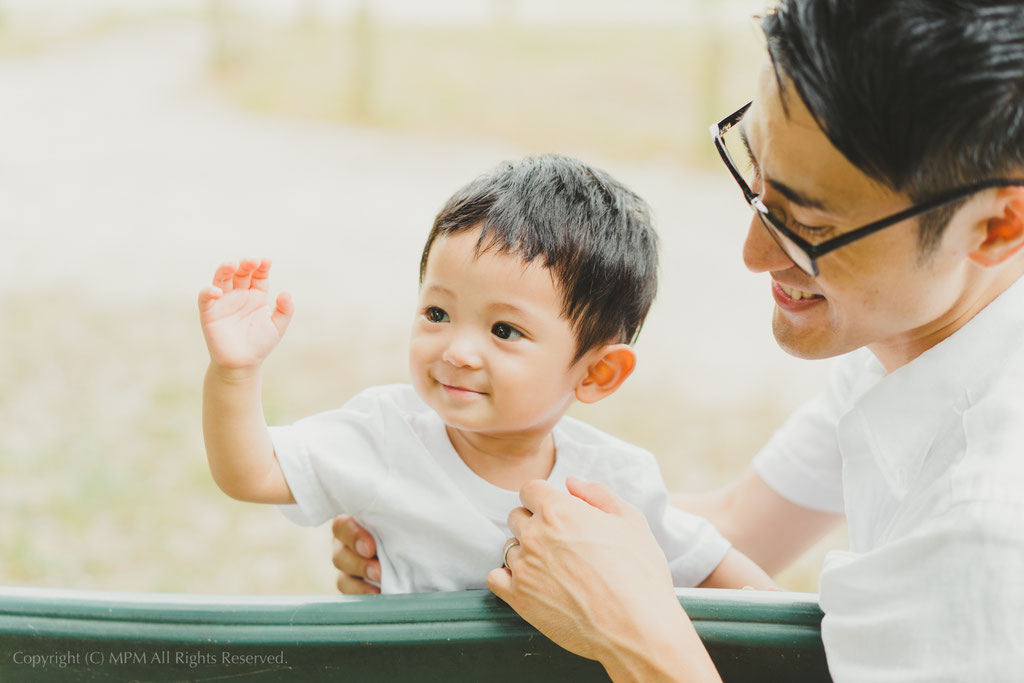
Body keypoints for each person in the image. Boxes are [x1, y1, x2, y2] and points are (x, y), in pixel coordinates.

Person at [330, 1, 1024, 679]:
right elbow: (734, 524)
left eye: (809, 226)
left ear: (997, 226)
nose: (753, 252)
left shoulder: (989, 532)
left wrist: (631, 633)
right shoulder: (922, 345)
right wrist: (454, 511)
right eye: (755, 173)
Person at [198, 154, 772, 594]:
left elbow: (721, 574)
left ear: (596, 373)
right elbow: (251, 474)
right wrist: (234, 373)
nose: (457, 351)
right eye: (437, 313)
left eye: (504, 331)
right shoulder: (385, 438)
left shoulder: (613, 486)